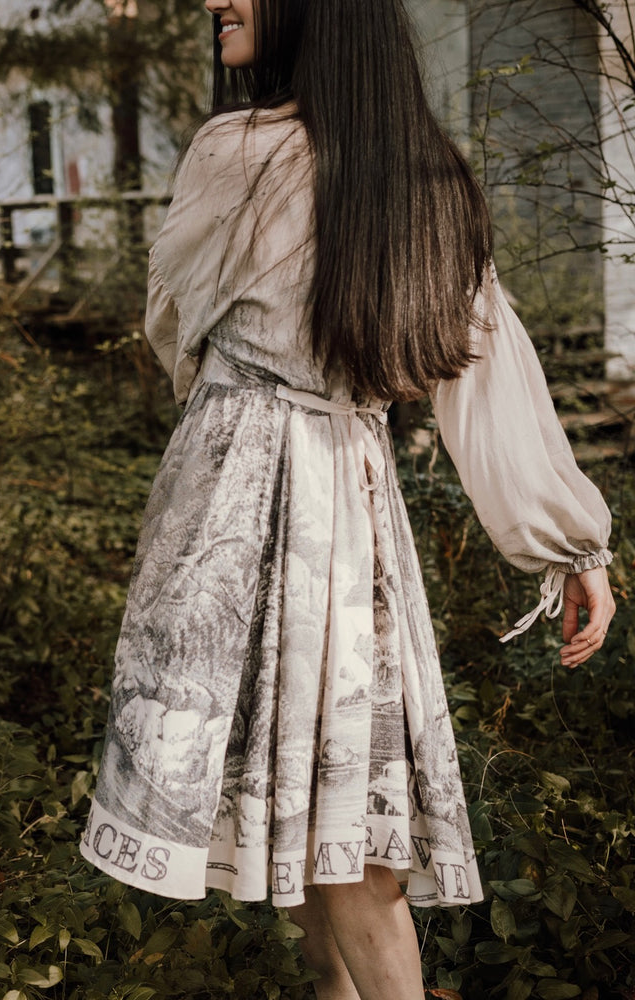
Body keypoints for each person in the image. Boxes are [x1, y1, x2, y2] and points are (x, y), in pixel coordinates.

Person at [79, 0, 617, 996]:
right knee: (325, 856)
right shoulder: (426, 184)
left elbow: (172, 329)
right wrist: (570, 545)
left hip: (234, 513)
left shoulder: (238, 153)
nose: (215, 1)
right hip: (347, 507)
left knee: (341, 857)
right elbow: (485, 382)